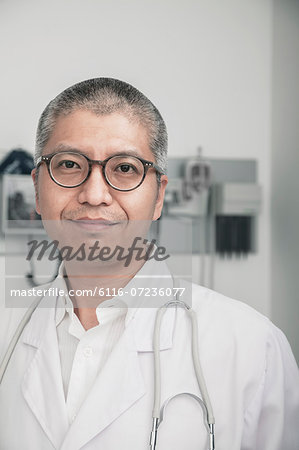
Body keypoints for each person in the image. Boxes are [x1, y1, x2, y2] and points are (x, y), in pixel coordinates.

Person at [0, 78, 298, 450]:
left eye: (125, 168)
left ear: (158, 196)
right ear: (37, 190)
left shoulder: (253, 349)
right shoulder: (6, 329)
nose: (94, 194)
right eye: (69, 164)